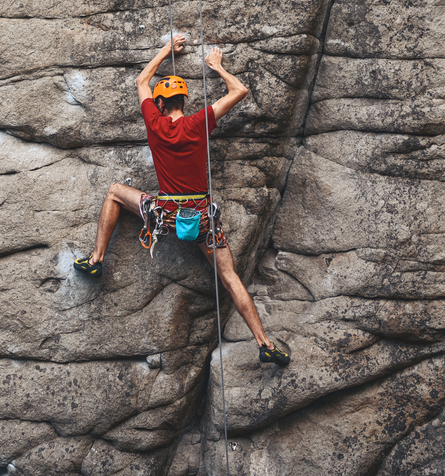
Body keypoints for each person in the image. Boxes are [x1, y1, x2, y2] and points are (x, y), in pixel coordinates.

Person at [74, 34, 290, 366]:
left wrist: (167, 49)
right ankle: (263, 342)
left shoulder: (154, 122)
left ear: (161, 104)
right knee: (230, 277)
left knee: (116, 191)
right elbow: (240, 91)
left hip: (167, 218)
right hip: (203, 222)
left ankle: (96, 259)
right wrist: (217, 67)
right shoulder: (198, 122)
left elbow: (141, 79)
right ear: (184, 102)